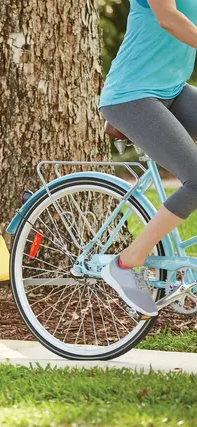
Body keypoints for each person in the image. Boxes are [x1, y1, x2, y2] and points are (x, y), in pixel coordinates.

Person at [100, 0, 197, 317]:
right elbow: (168, 18)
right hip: (132, 96)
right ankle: (126, 264)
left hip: (171, 89)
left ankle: (176, 271)